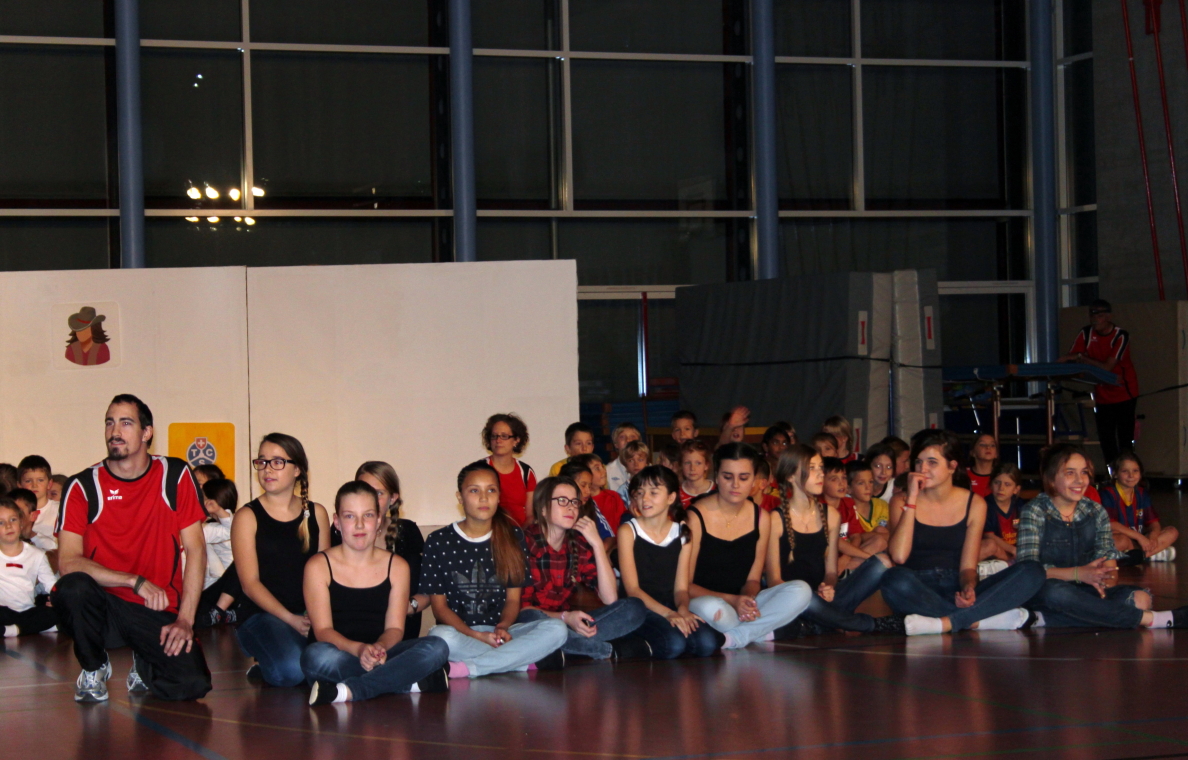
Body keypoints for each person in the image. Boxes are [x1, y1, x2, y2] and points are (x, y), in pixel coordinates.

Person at [53, 394, 212, 702]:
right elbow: (68, 562)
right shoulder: (82, 485)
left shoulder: (175, 475)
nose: (115, 431)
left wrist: (185, 620)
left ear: (146, 432)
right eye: (110, 423)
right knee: (72, 588)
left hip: (156, 607)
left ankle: (144, 658)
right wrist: (133, 581)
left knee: (192, 683)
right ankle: (94, 666)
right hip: (104, 607)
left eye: (126, 423)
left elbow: (197, 551)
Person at [879, 430, 1046, 636]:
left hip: (955, 585)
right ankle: (975, 621)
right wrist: (912, 498)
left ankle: (946, 621)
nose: (923, 469)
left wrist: (968, 587)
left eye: (932, 462)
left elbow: (968, 567)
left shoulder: (974, 503)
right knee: (893, 579)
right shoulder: (901, 500)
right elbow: (898, 556)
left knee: (1032, 571)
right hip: (917, 588)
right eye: (918, 462)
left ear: (952, 466)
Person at [302, 481, 450, 705]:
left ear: (379, 520)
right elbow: (323, 630)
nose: (360, 524)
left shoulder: (397, 566)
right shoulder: (318, 566)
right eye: (350, 516)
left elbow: (395, 628)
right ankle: (407, 683)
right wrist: (359, 649)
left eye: (368, 515)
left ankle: (351, 690)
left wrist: (379, 648)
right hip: (340, 653)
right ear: (337, 522)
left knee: (437, 647)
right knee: (315, 656)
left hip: (383, 653)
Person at [1017, 444, 1188, 629]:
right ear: (1051, 479)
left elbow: (1109, 566)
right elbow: (1029, 571)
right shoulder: (1034, 511)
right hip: (1048, 589)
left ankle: (1042, 619)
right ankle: (1155, 620)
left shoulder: (1096, 511)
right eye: (1070, 473)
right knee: (1057, 593)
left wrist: (1105, 581)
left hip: (1088, 591)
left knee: (1140, 599)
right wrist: (1078, 573)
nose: (1079, 480)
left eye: (1084, 472)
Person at [422, 462, 568, 678]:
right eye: (474, 491)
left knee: (557, 629)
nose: (484, 498)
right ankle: (518, 662)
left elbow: (513, 600)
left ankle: (469, 668)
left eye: (491, 490)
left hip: (503, 633)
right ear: (460, 497)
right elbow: (439, 608)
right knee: (440, 636)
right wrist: (476, 635)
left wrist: (503, 627)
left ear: (499, 496)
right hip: (461, 634)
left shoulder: (513, 536)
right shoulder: (438, 540)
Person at [686, 444, 812, 649]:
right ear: (716, 477)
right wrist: (733, 600)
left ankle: (735, 637)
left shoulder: (761, 517)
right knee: (717, 610)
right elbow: (685, 585)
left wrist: (748, 600)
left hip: (740, 602)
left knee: (801, 590)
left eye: (743, 478)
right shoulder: (695, 517)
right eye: (728, 477)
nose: (735, 484)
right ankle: (761, 631)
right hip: (706, 600)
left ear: (754, 480)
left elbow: (753, 579)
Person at [765, 446, 900, 637]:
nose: (820, 473)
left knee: (881, 563)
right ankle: (870, 624)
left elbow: (830, 572)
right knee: (803, 594)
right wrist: (807, 595)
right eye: (812, 468)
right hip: (792, 598)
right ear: (790, 476)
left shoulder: (831, 515)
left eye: (821, 468)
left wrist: (828, 586)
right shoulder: (775, 519)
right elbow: (773, 581)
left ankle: (816, 625)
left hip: (823, 599)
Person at [231, 433, 331, 687]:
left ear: (297, 469)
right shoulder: (247, 517)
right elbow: (249, 584)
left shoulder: (317, 513)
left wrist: (315, 617)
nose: (267, 469)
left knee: (334, 659)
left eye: (277, 462)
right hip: (263, 616)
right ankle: (265, 662)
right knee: (292, 670)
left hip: (307, 613)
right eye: (262, 461)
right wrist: (291, 619)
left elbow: (325, 576)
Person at [518, 477, 648, 660]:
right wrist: (564, 617)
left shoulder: (577, 542)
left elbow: (610, 598)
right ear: (543, 509)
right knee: (533, 618)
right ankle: (603, 650)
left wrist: (597, 544)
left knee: (634, 607)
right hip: (532, 624)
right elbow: (522, 610)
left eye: (574, 502)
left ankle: (564, 648)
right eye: (562, 501)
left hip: (568, 625)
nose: (571, 508)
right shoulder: (524, 543)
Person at [618, 465, 724, 659]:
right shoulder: (628, 531)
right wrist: (668, 614)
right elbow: (632, 589)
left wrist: (683, 609)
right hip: (640, 608)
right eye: (640, 493)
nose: (645, 499)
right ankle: (629, 642)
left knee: (707, 643)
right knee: (673, 644)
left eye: (653, 492)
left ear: (671, 497)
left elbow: (681, 588)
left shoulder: (682, 533)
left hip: (669, 604)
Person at [1058, 300, 1139, 468]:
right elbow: (1071, 356)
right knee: (1106, 438)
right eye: (1092, 315)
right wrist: (1064, 362)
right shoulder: (1086, 333)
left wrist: (1083, 358)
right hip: (1102, 394)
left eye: (1099, 315)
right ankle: (1112, 473)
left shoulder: (1120, 336)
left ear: (1109, 317)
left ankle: (1126, 472)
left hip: (1124, 393)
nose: (1095, 319)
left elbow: (1108, 366)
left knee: (1124, 439)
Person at [356, 461, 426, 639]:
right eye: (365, 491)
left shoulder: (408, 531)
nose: (371, 500)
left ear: (393, 498)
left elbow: (427, 589)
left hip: (400, 633)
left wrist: (408, 607)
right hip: (354, 631)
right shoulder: (342, 532)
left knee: (436, 644)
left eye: (378, 493)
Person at [1099, 452, 1178, 563]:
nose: (1131, 475)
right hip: (1121, 539)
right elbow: (1110, 524)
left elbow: (1153, 522)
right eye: (1125, 471)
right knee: (1121, 541)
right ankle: (1148, 555)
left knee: (1172, 532)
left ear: (1140, 474)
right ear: (1115, 474)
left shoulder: (1141, 493)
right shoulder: (1108, 493)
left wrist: (1153, 536)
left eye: (1135, 471)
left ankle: (1139, 555)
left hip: (1137, 542)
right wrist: (1139, 537)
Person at [0, 498, 57, 637]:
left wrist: (56, 598)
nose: (8, 526)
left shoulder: (37, 554)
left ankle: (14, 630)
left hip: (27, 611)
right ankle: (28, 628)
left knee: (56, 612)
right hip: (2, 611)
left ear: (21, 523)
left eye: (13, 520)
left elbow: (51, 584)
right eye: (1, 522)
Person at [477, 413, 537, 526]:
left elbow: (530, 515)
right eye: (494, 436)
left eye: (504, 436)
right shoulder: (479, 469)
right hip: (488, 532)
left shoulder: (526, 472)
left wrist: (520, 534)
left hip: (520, 532)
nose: (498, 441)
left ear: (516, 440)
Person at [197, 478, 241, 627]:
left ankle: (227, 612)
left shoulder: (235, 523)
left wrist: (219, 510)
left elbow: (232, 529)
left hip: (233, 590)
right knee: (242, 564)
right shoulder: (205, 529)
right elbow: (231, 530)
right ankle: (219, 611)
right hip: (213, 591)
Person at [557, 460, 615, 549]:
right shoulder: (556, 507)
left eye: (590, 486)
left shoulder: (590, 504)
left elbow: (609, 536)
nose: (588, 491)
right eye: (583, 485)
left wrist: (598, 550)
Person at [978, 462, 1024, 570]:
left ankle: (1010, 566)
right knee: (990, 545)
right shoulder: (984, 505)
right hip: (998, 552)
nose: (1001, 488)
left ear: (1016, 489)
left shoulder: (1021, 505)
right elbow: (989, 536)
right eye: (997, 483)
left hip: (1017, 553)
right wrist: (1012, 550)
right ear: (990, 484)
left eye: (1007, 484)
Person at [568, 453, 627, 535]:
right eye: (597, 468)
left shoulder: (613, 496)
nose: (604, 471)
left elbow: (624, 523)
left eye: (603, 467)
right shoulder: (580, 502)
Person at [18, 455, 58, 552]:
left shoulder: (60, 510)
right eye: (28, 481)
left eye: (40, 480)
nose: (34, 485)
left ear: (49, 484)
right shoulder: (13, 511)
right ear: (19, 485)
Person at [605, 422, 642, 496]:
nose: (628, 440)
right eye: (622, 437)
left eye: (632, 437)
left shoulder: (648, 469)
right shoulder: (608, 471)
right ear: (616, 444)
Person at [678, 439, 714, 508]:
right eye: (687, 463)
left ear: (706, 465)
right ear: (681, 465)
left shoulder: (717, 491)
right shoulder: (676, 494)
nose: (692, 468)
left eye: (698, 463)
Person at [616, 440, 652, 505]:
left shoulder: (653, 485)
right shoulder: (623, 490)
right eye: (631, 460)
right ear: (625, 464)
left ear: (646, 462)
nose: (636, 464)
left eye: (640, 460)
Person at [967, 434, 998, 499]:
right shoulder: (963, 474)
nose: (988, 447)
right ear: (973, 452)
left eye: (992, 445)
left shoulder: (1001, 475)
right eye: (982, 445)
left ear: (996, 454)